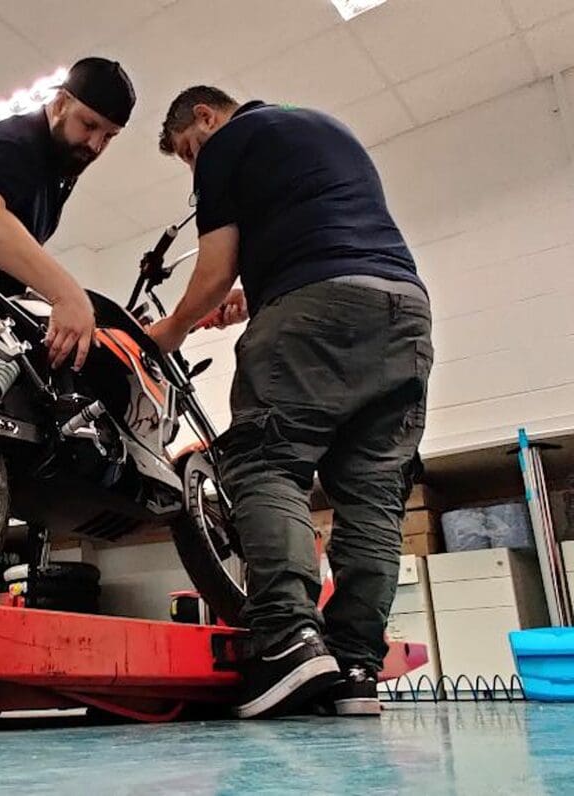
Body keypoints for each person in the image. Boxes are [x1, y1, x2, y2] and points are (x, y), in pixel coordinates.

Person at [148, 86, 433, 719]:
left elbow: (215, 269)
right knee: (373, 495)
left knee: (263, 461)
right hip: (402, 309)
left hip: (315, 307)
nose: (197, 166)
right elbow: (327, 235)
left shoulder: (227, 143)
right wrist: (259, 295)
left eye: (190, 152)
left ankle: (287, 643)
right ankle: (356, 665)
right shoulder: (326, 124)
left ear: (204, 117)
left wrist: (163, 334)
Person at [0, 57, 135, 372]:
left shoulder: (56, 172)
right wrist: (68, 296)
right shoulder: (17, 140)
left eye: (109, 137)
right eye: (89, 125)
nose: (95, 145)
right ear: (61, 103)